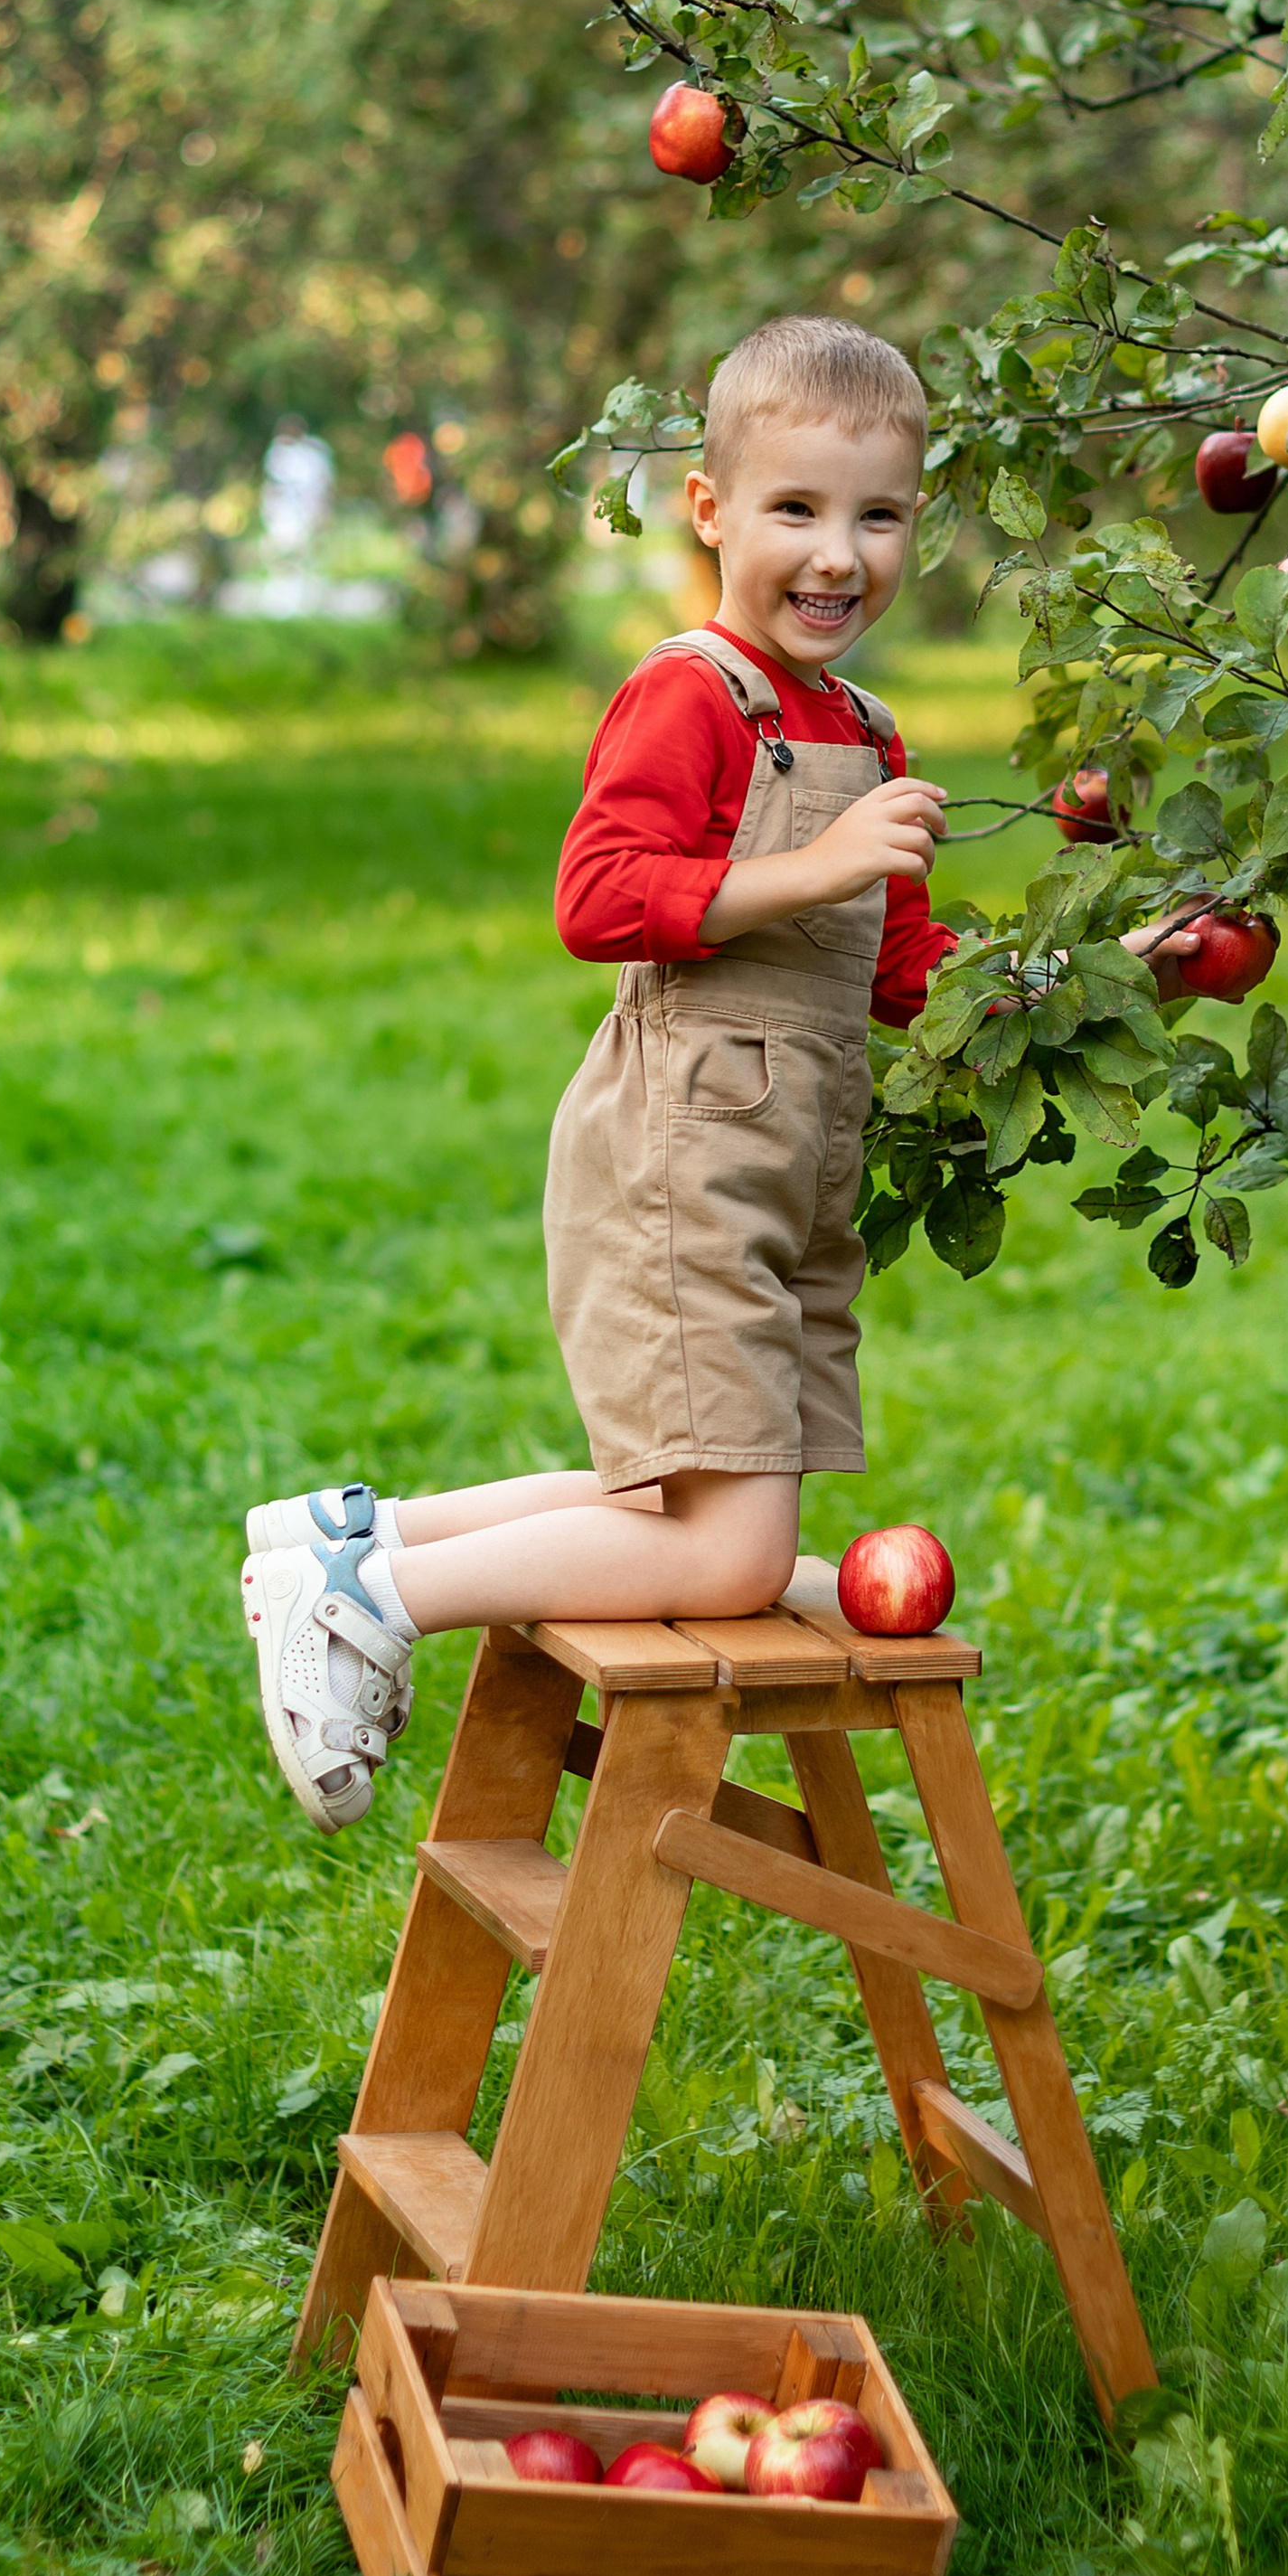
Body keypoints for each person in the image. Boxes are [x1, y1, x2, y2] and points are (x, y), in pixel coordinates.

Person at [240, 316, 954, 1831]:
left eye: (877, 514)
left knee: (680, 1509)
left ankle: (341, 1538)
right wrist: (815, 863)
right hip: (682, 1153)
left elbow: (902, 975)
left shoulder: (869, 729)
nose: (839, 555)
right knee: (728, 1554)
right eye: (797, 509)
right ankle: (378, 1599)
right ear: (710, 508)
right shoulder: (693, 691)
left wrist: (1099, 973)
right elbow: (600, 896)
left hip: (788, 1173)